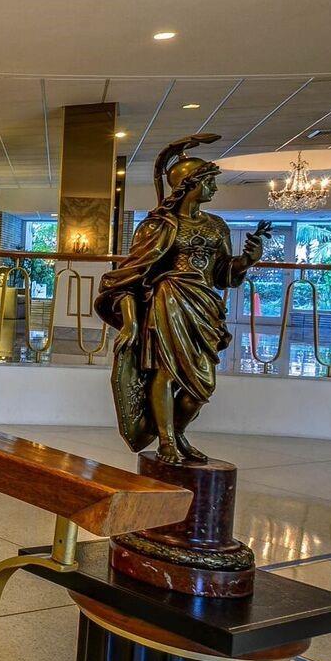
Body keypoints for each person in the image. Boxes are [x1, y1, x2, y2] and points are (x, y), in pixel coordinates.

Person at [94, 134, 270, 463]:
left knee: (203, 385)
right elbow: (129, 278)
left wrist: (247, 261)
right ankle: (166, 441)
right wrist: (130, 321)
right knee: (165, 371)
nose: (214, 188)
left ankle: (176, 433)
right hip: (169, 301)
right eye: (209, 181)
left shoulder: (217, 226)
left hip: (204, 305)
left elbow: (223, 273)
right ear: (190, 185)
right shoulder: (158, 226)